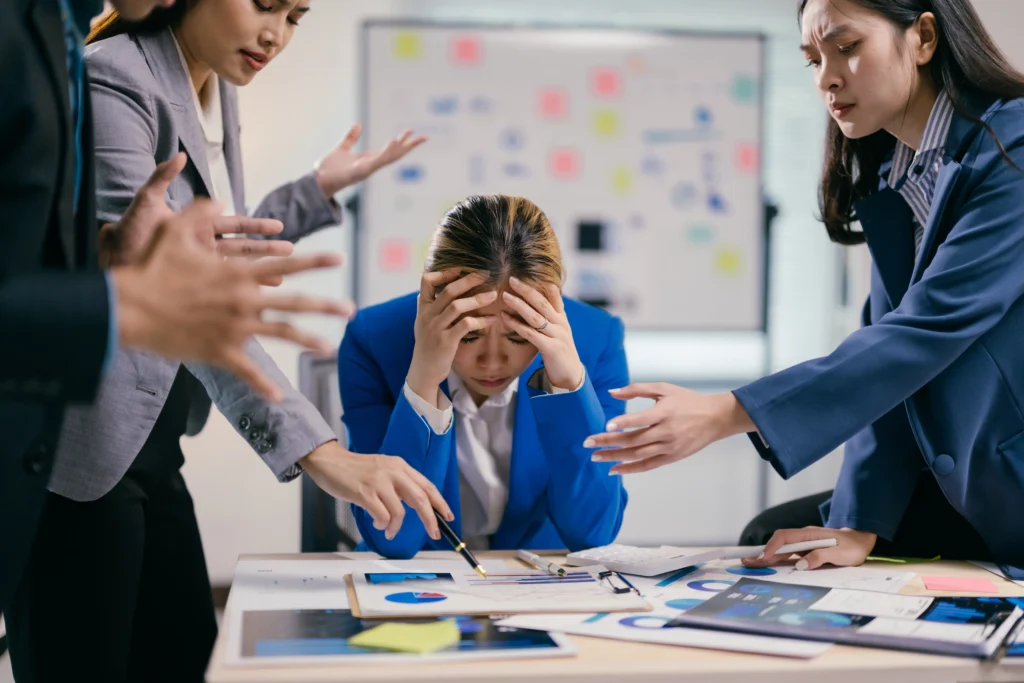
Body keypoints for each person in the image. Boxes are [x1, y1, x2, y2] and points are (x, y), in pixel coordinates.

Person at [5, 1, 447, 681]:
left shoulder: (211, 82)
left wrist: (312, 192)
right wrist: (325, 453)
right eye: (265, 5)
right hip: (86, 451)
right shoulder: (117, 78)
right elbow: (183, 299)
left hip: (152, 436)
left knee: (185, 655)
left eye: (296, 17)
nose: (277, 35)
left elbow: (204, 247)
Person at [585, 0, 1024, 578]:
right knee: (773, 540)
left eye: (847, 48)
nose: (827, 77)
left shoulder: (1010, 147)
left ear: (922, 38)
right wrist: (857, 521)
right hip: (971, 479)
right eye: (813, 59)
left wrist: (725, 412)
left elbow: (926, 332)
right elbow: (887, 355)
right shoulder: (903, 172)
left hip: (1003, 482)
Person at [339, 195, 630, 559]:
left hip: (539, 587)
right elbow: (393, 539)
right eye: (469, 335)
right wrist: (423, 380)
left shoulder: (596, 339)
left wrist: (569, 386)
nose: (492, 362)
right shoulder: (373, 341)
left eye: (518, 337)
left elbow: (594, 533)